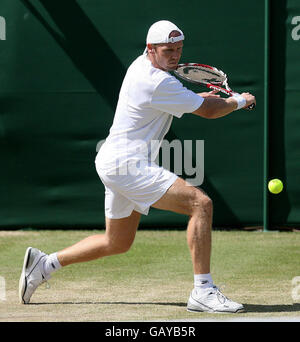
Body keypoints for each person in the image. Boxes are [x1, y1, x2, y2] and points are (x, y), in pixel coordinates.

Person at [19, 20, 256, 313]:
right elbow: (207, 111)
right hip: (127, 165)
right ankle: (203, 291)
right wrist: (238, 100)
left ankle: (44, 264)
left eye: (179, 49)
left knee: (116, 241)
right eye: (168, 50)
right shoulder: (158, 81)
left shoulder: (142, 66)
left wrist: (203, 99)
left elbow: (193, 102)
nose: (175, 56)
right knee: (201, 204)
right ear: (151, 49)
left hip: (113, 161)